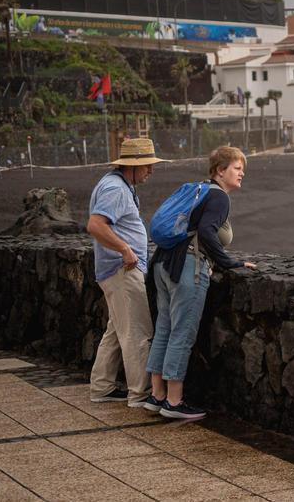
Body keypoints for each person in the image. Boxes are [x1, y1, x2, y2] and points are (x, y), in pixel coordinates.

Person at [145, 146, 256, 419]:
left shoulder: (200, 190)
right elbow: (206, 232)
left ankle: (156, 395)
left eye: (242, 168)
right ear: (220, 170)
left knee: (164, 329)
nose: (242, 173)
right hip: (187, 266)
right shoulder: (219, 197)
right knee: (182, 333)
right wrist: (229, 262)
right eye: (237, 168)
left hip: (162, 263)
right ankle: (174, 402)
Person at [86, 137, 166, 407]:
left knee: (116, 331)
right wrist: (125, 249)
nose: (150, 170)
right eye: (147, 165)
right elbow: (95, 225)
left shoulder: (116, 184)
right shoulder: (116, 189)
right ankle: (140, 394)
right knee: (137, 333)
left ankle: (102, 387)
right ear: (131, 166)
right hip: (122, 270)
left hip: (114, 270)